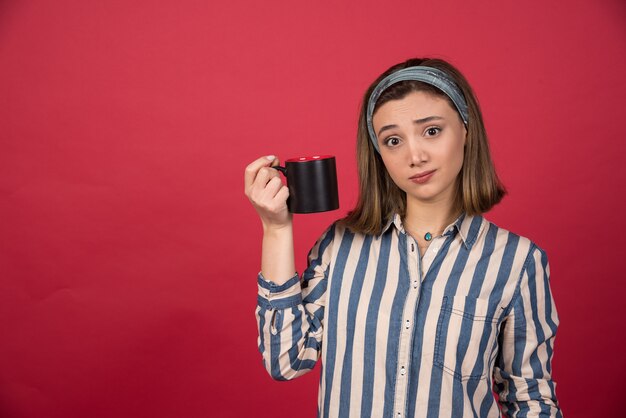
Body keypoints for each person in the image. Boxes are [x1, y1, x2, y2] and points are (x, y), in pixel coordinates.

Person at [244, 57, 562, 417]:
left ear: (466, 130)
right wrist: (276, 228)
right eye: (393, 140)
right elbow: (284, 359)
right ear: (379, 155)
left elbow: (530, 400)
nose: (415, 156)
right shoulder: (339, 246)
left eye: (431, 131)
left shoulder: (518, 262)